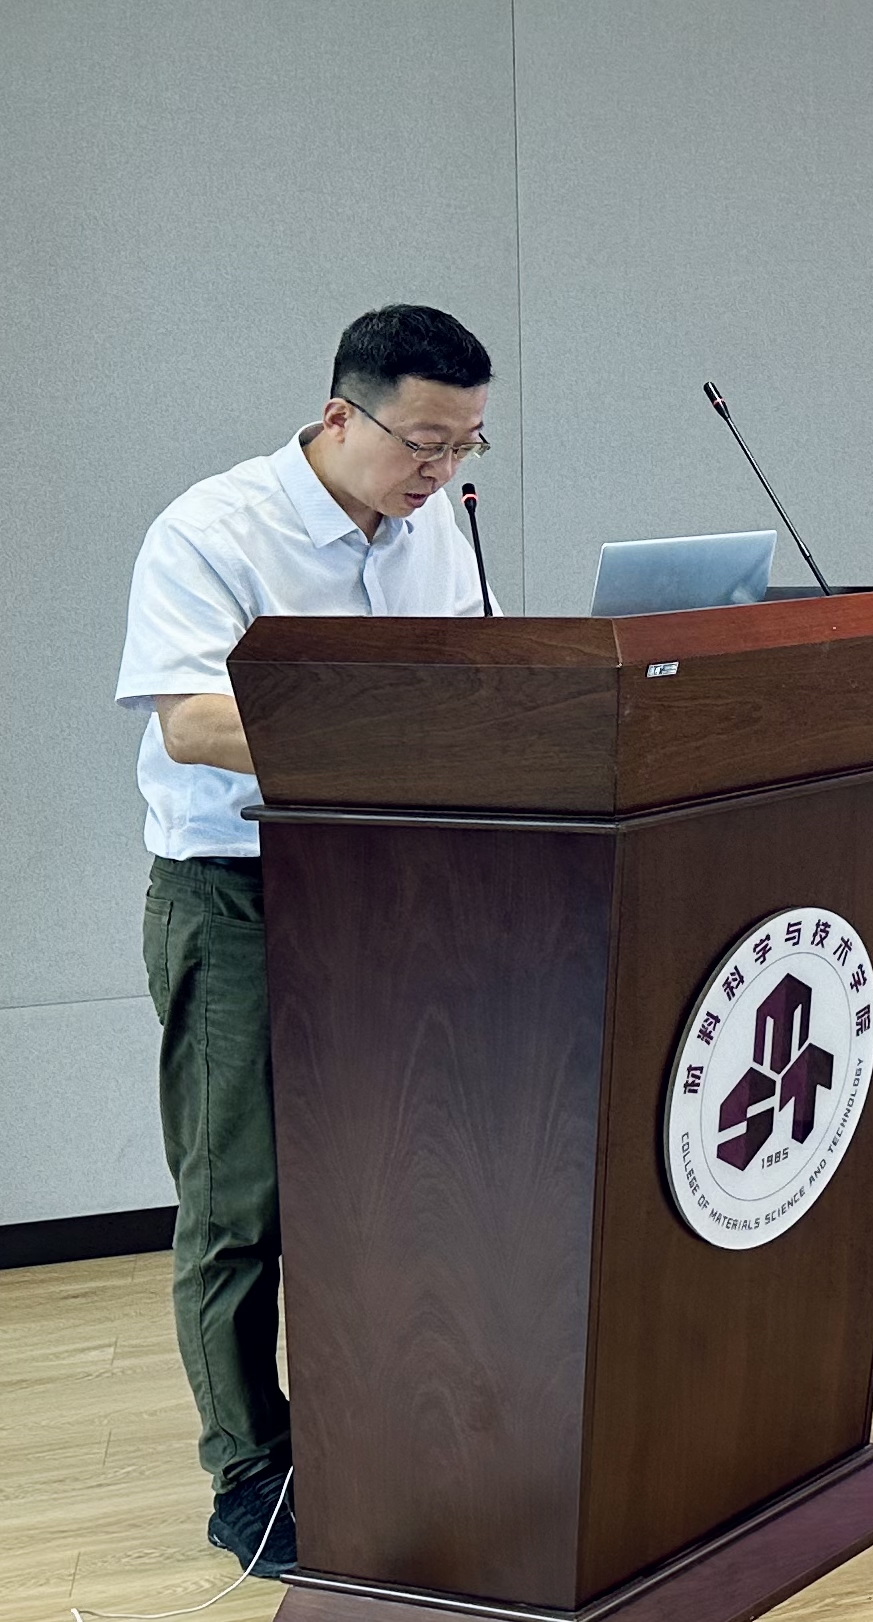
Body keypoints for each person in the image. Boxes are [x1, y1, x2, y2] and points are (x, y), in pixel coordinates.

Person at [114, 304, 497, 1578]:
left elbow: (479, 678)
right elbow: (189, 721)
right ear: (342, 414)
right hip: (234, 894)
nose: (442, 469)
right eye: (424, 441)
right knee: (240, 1201)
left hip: (389, 889)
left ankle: (383, 1426)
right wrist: (382, 726)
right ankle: (252, 1470)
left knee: (396, 1174)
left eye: (466, 444)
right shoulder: (212, 529)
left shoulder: (437, 526)